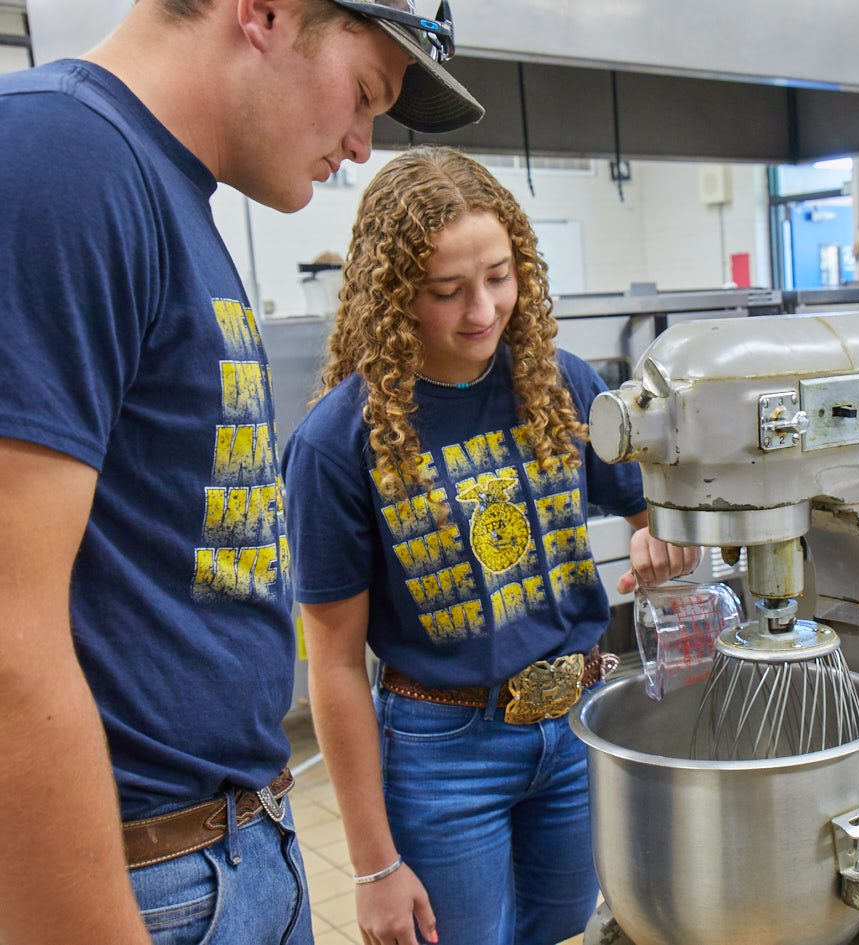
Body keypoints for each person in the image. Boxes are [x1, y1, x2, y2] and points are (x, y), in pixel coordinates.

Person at [0, 2, 483, 943]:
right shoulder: (58, 158)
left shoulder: (165, 189)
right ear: (264, 12)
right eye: (364, 93)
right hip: (144, 877)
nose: (358, 143)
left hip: (237, 848)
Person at [281, 146, 699, 945]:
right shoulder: (339, 442)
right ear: (394, 292)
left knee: (561, 927)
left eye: (500, 277)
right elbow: (332, 665)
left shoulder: (557, 381)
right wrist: (372, 865)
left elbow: (652, 508)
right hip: (444, 753)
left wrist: (659, 539)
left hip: (575, 725)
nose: (482, 309)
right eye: (447, 290)